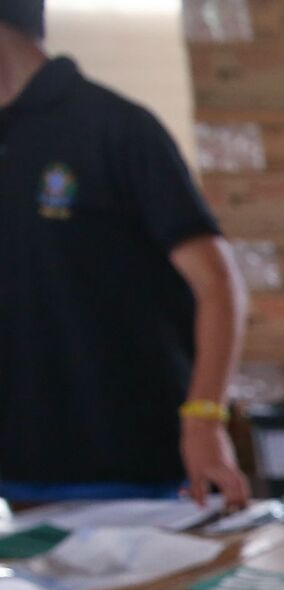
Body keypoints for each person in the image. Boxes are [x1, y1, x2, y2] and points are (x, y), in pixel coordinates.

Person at [0, 1, 250, 509]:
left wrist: (204, 420)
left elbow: (218, 284)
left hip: (139, 473)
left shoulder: (115, 130)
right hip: (18, 483)